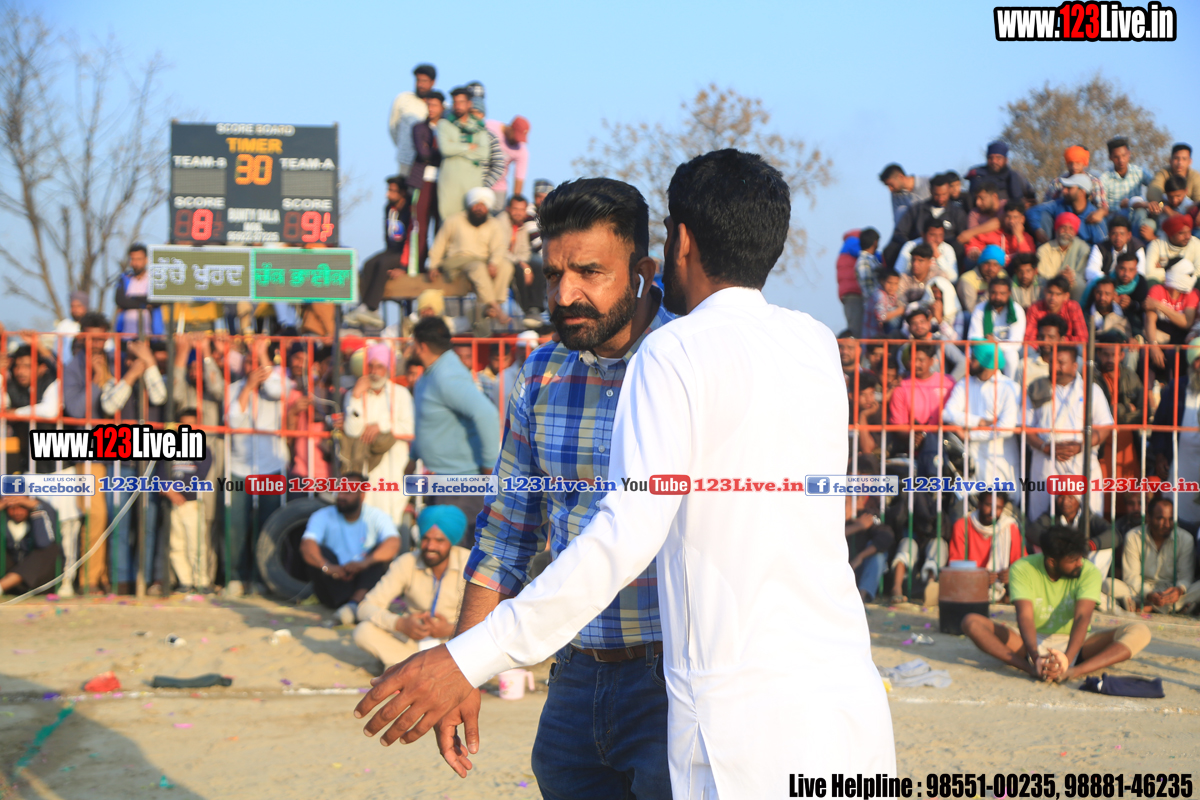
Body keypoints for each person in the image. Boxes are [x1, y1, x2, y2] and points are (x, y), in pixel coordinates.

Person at [354, 151, 896, 792]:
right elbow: (506, 533)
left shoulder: (687, 353)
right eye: (553, 273)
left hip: (674, 676)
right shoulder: (543, 374)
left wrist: (468, 659)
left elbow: (625, 535)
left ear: (649, 266)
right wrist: (468, 663)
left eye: (589, 272)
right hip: (579, 675)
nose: (565, 294)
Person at [961, 526, 1151, 682]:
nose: (1080, 563)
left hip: (1077, 644)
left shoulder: (1089, 571)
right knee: (971, 622)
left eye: (1081, 558)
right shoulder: (1022, 568)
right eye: (1073, 560)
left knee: (1140, 631)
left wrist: (1067, 660)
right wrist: (1035, 658)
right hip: (1030, 643)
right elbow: (1025, 617)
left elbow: (1082, 617)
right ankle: (1029, 669)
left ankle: (1075, 671)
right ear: (1052, 561)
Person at [407, 317, 500, 535]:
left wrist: (489, 468)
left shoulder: (446, 376)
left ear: (421, 346)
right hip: (443, 481)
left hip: (461, 484)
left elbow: (487, 414)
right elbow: (427, 420)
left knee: (458, 548)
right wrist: (413, 457)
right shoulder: (431, 373)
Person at [354, 504, 471, 668]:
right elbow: (365, 607)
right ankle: (423, 669)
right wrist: (400, 624)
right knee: (363, 631)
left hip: (455, 644)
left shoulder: (469, 564)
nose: (430, 547)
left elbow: (489, 619)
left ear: (452, 541)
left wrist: (452, 629)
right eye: (425, 539)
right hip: (412, 642)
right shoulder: (407, 562)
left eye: (439, 540)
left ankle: (407, 668)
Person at [224, 337, 290, 597]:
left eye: (258, 362)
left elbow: (277, 391)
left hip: (270, 466)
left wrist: (262, 354)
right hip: (239, 466)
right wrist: (248, 387)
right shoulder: (233, 388)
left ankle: (263, 579)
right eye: (250, 361)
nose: (254, 367)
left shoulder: (277, 382)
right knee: (236, 526)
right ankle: (236, 578)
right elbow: (233, 421)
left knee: (268, 526)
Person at [1026, 346, 1113, 520]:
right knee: (1043, 519)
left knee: (1088, 518)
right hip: (1046, 461)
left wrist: (1082, 446)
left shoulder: (1091, 390)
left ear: (1074, 366)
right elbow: (1026, 428)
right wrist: (1045, 448)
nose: (1055, 367)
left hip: (1081, 460)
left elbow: (1105, 426)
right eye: (1052, 362)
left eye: (1061, 363)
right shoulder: (1036, 388)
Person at [300, 474, 401, 624]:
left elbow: (393, 543)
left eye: (347, 492)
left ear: (362, 495)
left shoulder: (377, 516)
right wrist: (328, 567)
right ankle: (352, 606)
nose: (341, 496)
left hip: (364, 579)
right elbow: (307, 545)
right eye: (339, 491)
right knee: (317, 551)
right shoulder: (322, 515)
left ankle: (354, 604)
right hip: (334, 581)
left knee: (381, 555)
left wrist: (364, 563)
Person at [342, 344, 413, 525]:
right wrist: (356, 396)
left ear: (388, 368)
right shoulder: (354, 394)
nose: (374, 372)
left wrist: (382, 426)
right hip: (367, 467)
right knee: (367, 517)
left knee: (393, 516)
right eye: (370, 366)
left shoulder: (400, 394)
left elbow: (409, 428)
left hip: (394, 465)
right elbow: (352, 430)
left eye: (379, 366)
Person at [942, 341, 1022, 500]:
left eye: (973, 358)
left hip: (1000, 459)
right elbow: (947, 413)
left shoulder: (1009, 387)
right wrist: (979, 421)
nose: (969, 361)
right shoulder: (964, 383)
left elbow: (1006, 428)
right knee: (970, 505)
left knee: (1004, 505)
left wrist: (970, 435)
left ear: (986, 361)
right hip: (972, 460)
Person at [428, 186, 513, 333]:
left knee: (506, 265)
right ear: (470, 205)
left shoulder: (494, 224)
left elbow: (499, 247)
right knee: (477, 267)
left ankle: (492, 306)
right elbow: (439, 244)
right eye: (476, 204)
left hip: (482, 261)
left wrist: (494, 263)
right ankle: (496, 308)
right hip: (457, 263)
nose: (479, 208)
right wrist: (433, 265)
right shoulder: (454, 220)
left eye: (483, 205)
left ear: (488, 208)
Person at [1103, 496, 1199, 613]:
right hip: (1141, 591)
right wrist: (1148, 594)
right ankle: (1173, 608)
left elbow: (1185, 577)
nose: (1167, 524)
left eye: (1171, 519)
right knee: (1108, 584)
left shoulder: (1186, 539)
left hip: (1171, 592)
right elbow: (1132, 577)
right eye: (1160, 518)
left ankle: (1144, 606)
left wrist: (1178, 590)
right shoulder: (1133, 536)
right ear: (1148, 517)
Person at [155, 407, 214, 593]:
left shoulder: (204, 450)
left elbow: (200, 476)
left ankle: (201, 581)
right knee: (176, 544)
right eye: (183, 425)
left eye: (192, 425)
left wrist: (177, 491)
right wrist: (169, 492)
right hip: (172, 504)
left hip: (191, 504)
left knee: (196, 544)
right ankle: (185, 581)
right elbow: (161, 474)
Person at [348, 176, 413, 329]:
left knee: (383, 264)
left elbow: (411, 240)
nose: (388, 194)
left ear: (402, 193)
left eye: (392, 191)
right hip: (391, 249)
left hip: (405, 252)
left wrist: (404, 267)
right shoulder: (388, 208)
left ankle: (372, 308)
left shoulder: (410, 210)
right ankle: (365, 306)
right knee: (369, 264)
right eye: (388, 190)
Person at [1150, 338, 1200, 528]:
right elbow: (1160, 426)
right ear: (1191, 363)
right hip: (1179, 464)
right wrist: (1160, 456)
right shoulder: (1176, 387)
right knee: (1176, 514)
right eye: (1197, 360)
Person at [1093, 329, 1143, 515]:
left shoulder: (1131, 376)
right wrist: (1125, 409)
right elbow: (1094, 413)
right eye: (1105, 354)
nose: (1109, 359)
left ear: (1122, 355)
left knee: (1128, 492)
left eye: (1113, 354)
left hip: (1127, 445)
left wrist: (1117, 414)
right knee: (1104, 493)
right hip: (1101, 443)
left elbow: (1144, 412)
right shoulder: (1091, 377)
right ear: (1098, 354)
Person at [948, 491, 1024, 602]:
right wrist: (979, 577)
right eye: (988, 505)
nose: (993, 512)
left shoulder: (1010, 528)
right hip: (969, 589)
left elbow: (1021, 564)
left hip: (1003, 590)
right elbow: (956, 565)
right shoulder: (962, 525)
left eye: (998, 508)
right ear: (979, 504)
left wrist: (1012, 574)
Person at [883, 173, 968, 268]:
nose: (941, 198)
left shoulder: (957, 212)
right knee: (891, 248)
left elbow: (962, 236)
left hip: (946, 251)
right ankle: (893, 276)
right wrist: (913, 247)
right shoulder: (917, 209)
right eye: (937, 195)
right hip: (918, 248)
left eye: (944, 194)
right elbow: (900, 232)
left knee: (959, 248)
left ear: (949, 191)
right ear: (930, 191)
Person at [0, 344, 61, 475]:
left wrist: (16, 413)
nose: (20, 371)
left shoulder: (51, 381)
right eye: (17, 366)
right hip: (28, 468)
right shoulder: (12, 386)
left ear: (41, 368)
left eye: (27, 366)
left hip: (60, 469)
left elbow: (51, 410)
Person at [1026, 493, 1116, 576]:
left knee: (1106, 549)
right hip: (1059, 561)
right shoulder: (1052, 515)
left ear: (1079, 500)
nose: (1065, 502)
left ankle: (1091, 580)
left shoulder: (1088, 517)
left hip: (1082, 559)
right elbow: (1032, 531)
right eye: (1061, 496)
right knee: (1039, 546)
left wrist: (1084, 545)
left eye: (1070, 497)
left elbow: (1114, 535)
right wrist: (1060, 546)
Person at [435, 87, 488, 226]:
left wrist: (456, 147)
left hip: (472, 185)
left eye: (462, 102)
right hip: (450, 185)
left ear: (469, 104)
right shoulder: (444, 124)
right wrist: (468, 147)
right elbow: (445, 149)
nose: (458, 106)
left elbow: (484, 153)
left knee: (471, 226)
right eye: (455, 102)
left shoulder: (479, 127)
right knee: (448, 225)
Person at [1144, 257, 1197, 382]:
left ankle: (1172, 388)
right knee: (1144, 353)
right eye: (1188, 275)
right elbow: (1150, 320)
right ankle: (1149, 391)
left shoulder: (1193, 294)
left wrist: (1159, 306)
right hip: (1159, 337)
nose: (1192, 278)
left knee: (1174, 354)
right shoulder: (1157, 290)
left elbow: (1186, 323)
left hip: (1181, 338)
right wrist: (1153, 346)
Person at [408, 90, 445, 269]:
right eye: (428, 105)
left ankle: (436, 265)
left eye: (434, 105)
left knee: (441, 225)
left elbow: (448, 153)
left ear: (442, 107)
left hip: (443, 183)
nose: (431, 108)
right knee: (420, 226)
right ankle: (418, 265)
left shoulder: (447, 128)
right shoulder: (419, 128)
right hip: (422, 182)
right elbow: (423, 153)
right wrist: (440, 152)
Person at [496, 194, 545, 328]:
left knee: (538, 265)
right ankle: (526, 309)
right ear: (508, 209)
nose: (518, 213)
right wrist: (522, 264)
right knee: (519, 271)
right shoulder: (499, 223)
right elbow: (500, 250)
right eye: (515, 209)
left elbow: (525, 250)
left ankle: (536, 308)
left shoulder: (522, 225)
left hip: (516, 259)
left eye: (522, 209)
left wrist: (524, 264)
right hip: (501, 260)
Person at [0, 495, 61, 596]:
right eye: (12, 508)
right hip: (10, 573)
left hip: (36, 579)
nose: (17, 512)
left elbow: (43, 542)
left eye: (22, 507)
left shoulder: (41, 511)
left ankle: (2, 586)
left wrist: (37, 509)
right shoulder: (4, 518)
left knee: (50, 549)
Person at [967, 276, 1025, 378]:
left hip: (1005, 350)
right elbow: (974, 337)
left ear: (1009, 293)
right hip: (984, 348)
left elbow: (1016, 343)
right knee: (970, 353)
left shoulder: (1017, 310)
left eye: (1002, 293)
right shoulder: (980, 308)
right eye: (994, 293)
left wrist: (996, 343)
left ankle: (1010, 384)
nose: (998, 297)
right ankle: (973, 383)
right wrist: (990, 344)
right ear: (988, 293)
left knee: (1012, 356)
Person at [844, 493, 894, 602]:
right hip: (838, 572)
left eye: (845, 503)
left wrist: (860, 557)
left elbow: (887, 536)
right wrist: (857, 526)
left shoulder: (866, 516)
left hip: (858, 569)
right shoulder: (833, 518)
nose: (841, 507)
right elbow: (827, 537)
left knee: (879, 555)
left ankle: (861, 598)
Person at [389, 64, 436, 175]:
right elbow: (393, 127)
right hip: (406, 161)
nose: (420, 85)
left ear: (433, 82)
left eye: (424, 81)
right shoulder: (403, 99)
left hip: (429, 165)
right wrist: (403, 147)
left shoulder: (440, 105)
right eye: (418, 80)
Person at [1100, 136, 1152, 228]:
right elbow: (1103, 206)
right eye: (1116, 157)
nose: (1121, 160)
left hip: (1136, 215)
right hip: (1115, 218)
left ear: (1129, 154)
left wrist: (1156, 203)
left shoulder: (1139, 172)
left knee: (1141, 213)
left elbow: (1155, 186)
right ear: (1110, 157)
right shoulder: (1104, 179)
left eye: (1124, 155)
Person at [965, 140, 1033, 206]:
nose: (994, 161)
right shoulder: (978, 175)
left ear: (1006, 160)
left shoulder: (1015, 176)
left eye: (998, 158)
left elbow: (1031, 198)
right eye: (990, 158)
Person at [113, 244, 162, 335]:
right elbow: (120, 301)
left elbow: (157, 301)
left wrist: (132, 298)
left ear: (146, 260)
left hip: (150, 334)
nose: (135, 263)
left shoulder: (155, 279)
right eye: (132, 259)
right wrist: (146, 303)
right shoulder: (124, 278)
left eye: (139, 259)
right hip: (126, 334)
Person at [1045, 145, 1108, 214]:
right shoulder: (1058, 182)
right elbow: (1047, 206)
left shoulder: (1094, 182)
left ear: (1084, 163)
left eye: (1078, 163)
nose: (1074, 166)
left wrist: (1099, 214)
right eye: (1070, 163)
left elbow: (1102, 207)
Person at [966, 201, 1035, 263]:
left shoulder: (1027, 238)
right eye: (1008, 217)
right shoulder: (994, 233)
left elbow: (1028, 260)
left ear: (1022, 219)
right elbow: (975, 243)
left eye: (1015, 217)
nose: (1011, 221)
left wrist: (1019, 236)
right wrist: (974, 250)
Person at [1024, 276, 1086, 343]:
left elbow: (1082, 339)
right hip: (1040, 348)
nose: (1053, 298)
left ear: (1066, 296)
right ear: (1045, 291)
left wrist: (1061, 341)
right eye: (1050, 292)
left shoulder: (1073, 307)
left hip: (1066, 348)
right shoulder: (1034, 308)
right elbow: (1029, 340)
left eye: (1058, 294)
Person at [484, 116, 530, 204]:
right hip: (479, 177)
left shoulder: (521, 150)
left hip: (498, 187)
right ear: (511, 128)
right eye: (516, 136)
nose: (517, 141)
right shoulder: (490, 126)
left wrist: (515, 202)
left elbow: (519, 178)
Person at [1143, 213, 1200, 284]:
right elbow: (1149, 273)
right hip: (1163, 287)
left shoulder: (1196, 243)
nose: (1188, 237)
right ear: (1171, 235)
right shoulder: (1156, 244)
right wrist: (1186, 273)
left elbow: (1198, 273)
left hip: (1188, 286)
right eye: (1181, 233)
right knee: (1151, 282)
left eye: (1189, 232)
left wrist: (1165, 269)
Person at [1084, 216, 1146, 281]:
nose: (1118, 238)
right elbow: (1090, 272)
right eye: (1114, 234)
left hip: (1129, 283)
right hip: (1105, 283)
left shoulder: (1137, 247)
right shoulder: (1100, 247)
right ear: (1109, 235)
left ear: (1129, 235)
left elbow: (1140, 274)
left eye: (1122, 234)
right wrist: (1108, 280)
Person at [1134, 175, 1195, 241]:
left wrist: (1153, 238)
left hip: (1169, 241)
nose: (1174, 200)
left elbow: (1181, 233)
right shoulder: (1162, 199)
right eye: (1170, 197)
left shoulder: (1190, 206)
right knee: (1140, 212)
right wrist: (1147, 205)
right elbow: (1133, 203)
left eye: (1178, 196)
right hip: (1157, 232)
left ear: (1186, 191)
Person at [1016, 313, 1067, 389]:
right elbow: (1016, 394)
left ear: (1062, 340)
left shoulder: (1067, 369)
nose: (1045, 341)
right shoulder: (1024, 365)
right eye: (1041, 336)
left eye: (1051, 337)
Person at [956, 244, 1008, 317]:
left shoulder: (1002, 275)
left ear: (1000, 267)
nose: (991, 268)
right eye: (987, 263)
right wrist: (991, 289)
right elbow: (972, 310)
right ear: (981, 263)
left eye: (995, 265)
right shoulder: (967, 280)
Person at [837, 230, 865, 337]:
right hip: (854, 293)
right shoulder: (852, 243)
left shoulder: (846, 247)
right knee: (856, 328)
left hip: (849, 293)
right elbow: (867, 254)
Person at [854, 228, 881, 337]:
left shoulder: (871, 260)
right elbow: (868, 287)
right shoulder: (863, 261)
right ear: (875, 242)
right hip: (873, 307)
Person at [868, 268, 904, 338]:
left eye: (896, 284)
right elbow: (881, 317)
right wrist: (899, 311)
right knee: (895, 316)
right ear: (882, 281)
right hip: (873, 335)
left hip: (880, 333)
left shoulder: (893, 295)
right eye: (889, 283)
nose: (892, 286)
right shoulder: (879, 295)